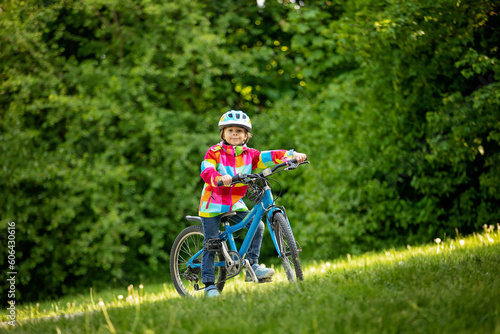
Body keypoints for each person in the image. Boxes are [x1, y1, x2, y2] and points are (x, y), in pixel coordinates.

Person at [198, 110, 307, 297]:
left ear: (246, 136)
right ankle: (209, 284)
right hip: (213, 203)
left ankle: (253, 266)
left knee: (257, 226)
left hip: (235, 202)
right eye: (230, 130)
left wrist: (292, 155)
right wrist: (218, 177)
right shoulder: (215, 152)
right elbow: (206, 169)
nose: (234, 134)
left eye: (239, 131)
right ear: (222, 134)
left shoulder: (250, 155)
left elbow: (271, 156)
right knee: (212, 242)